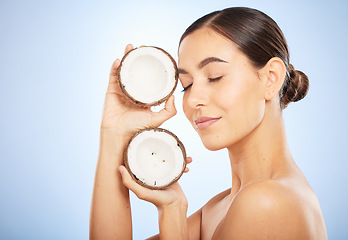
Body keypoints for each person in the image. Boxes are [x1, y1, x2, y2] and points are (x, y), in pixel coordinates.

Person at [90, 7, 327, 240]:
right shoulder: (223, 205)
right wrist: (114, 134)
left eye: (214, 77)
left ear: (271, 78)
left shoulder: (266, 202)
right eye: (187, 84)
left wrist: (173, 218)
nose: (193, 99)